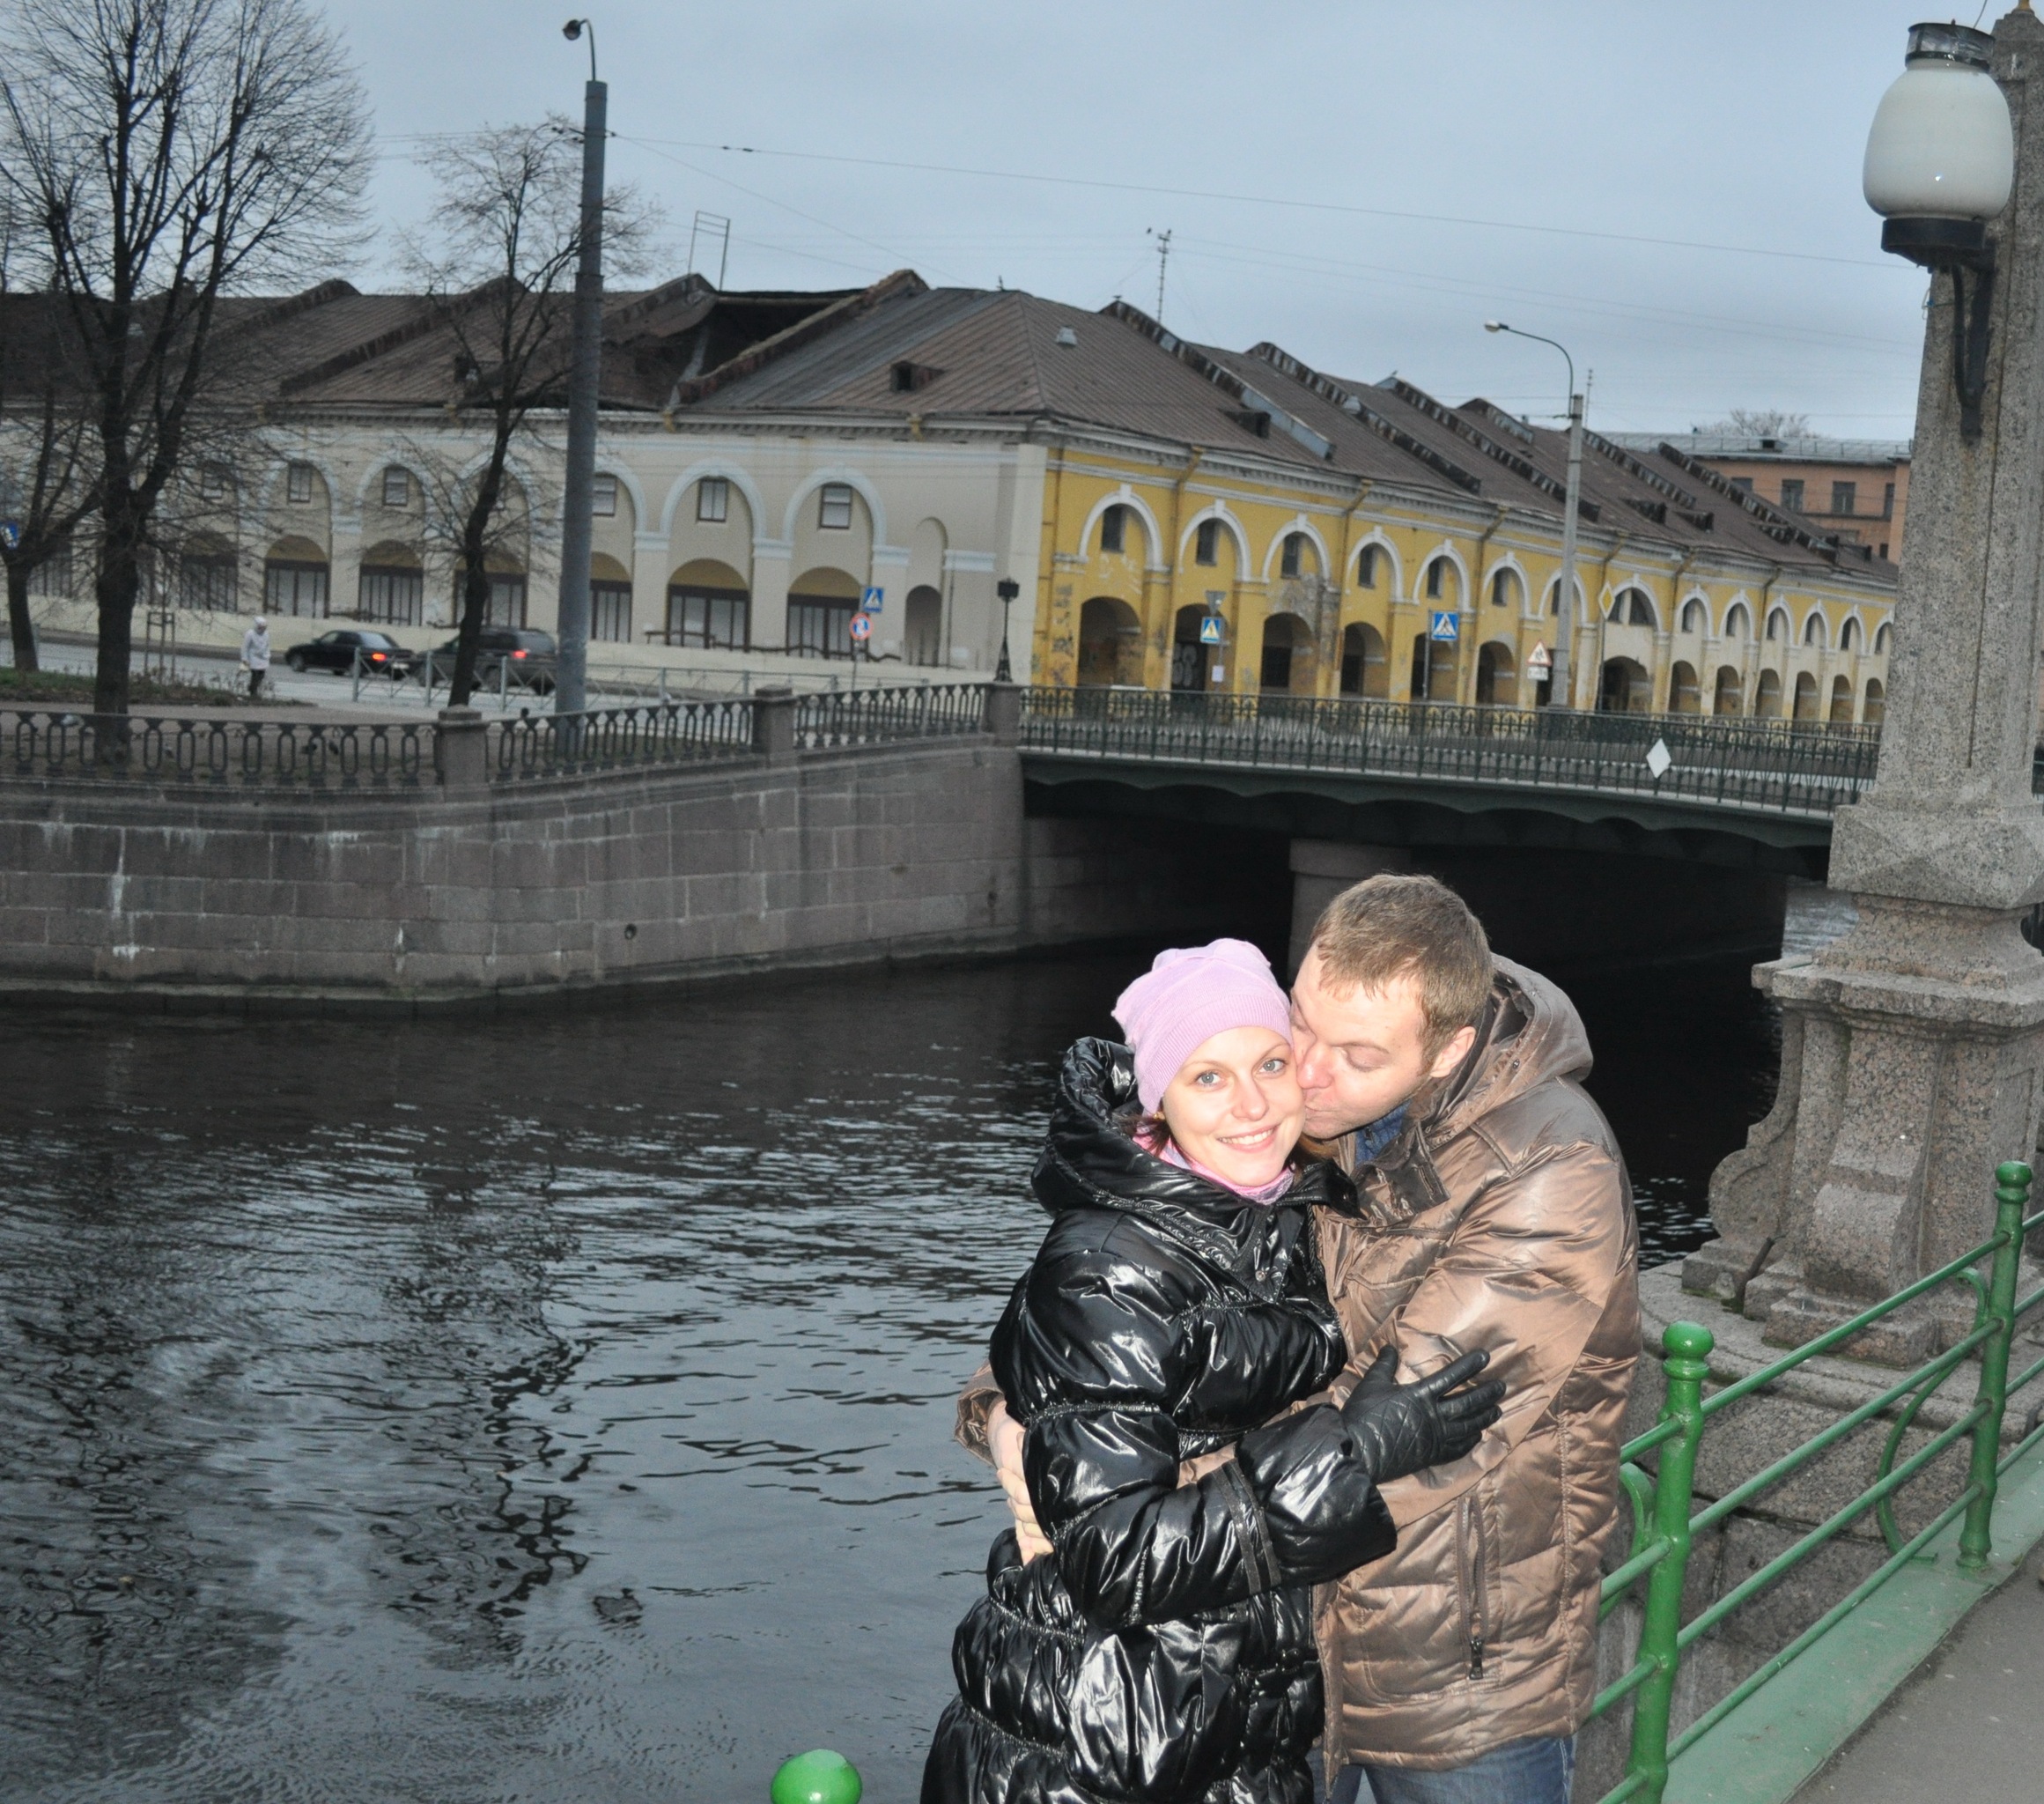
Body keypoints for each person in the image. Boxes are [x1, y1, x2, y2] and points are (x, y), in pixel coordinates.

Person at [973, 878, 1640, 1804]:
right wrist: (1008, 1407)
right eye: (1300, 1023)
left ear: (1447, 1050)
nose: (1308, 1072)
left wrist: (1090, 1477)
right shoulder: (1295, 1117)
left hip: (1448, 1664)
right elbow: (1126, 1289)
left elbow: (1414, 1419)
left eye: (1356, 1054)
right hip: (1273, 1647)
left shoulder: (1549, 1165)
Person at [925, 938, 1505, 1804]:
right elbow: (1115, 1558)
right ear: (1156, 1101)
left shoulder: (1269, 1216)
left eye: (1269, 1062)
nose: (1251, 1103)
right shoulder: (1109, 1265)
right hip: (1099, 1740)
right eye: (1206, 1076)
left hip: (1204, 1714)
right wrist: (1349, 1454)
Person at [240, 617, 271, 700]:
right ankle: (253, 692)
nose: (262, 629)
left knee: (261, 675)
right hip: (253, 658)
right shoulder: (250, 634)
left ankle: (252, 688)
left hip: (263, 658)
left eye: (264, 627)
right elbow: (245, 647)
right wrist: (245, 659)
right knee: (255, 675)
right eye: (261, 627)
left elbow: (267, 645)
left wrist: (267, 655)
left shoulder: (266, 634)